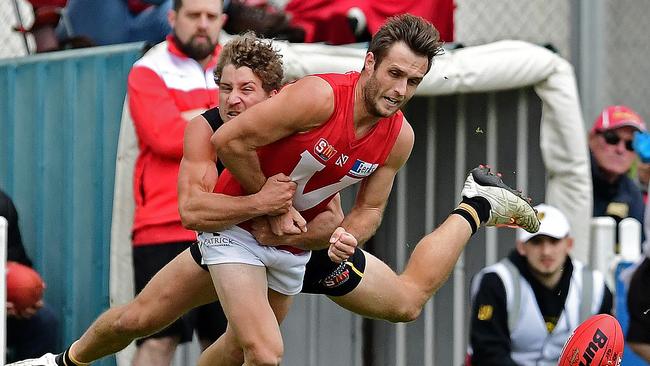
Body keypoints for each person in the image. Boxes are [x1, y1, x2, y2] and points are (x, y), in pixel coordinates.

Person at [8, 19, 540, 366]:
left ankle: (477, 204)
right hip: (237, 235)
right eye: (395, 73)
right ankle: (60, 363)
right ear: (368, 64)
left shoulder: (398, 135)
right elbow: (222, 152)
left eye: (414, 81)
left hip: (299, 246)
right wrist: (269, 202)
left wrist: (346, 237)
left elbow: (371, 209)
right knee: (245, 347)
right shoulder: (312, 98)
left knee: (404, 303)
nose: (401, 90)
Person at [124, 0, 228, 364]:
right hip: (164, 226)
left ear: (222, 21)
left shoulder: (237, 66)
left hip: (229, 224)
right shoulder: (149, 68)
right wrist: (224, 121)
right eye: (193, 15)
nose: (202, 24)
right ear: (172, 18)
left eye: (211, 17)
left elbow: (261, 128)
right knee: (157, 339)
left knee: (231, 346)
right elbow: (165, 136)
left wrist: (191, 117)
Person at [467, 204, 613, 366]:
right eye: (536, 242)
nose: (546, 251)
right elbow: (488, 353)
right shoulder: (496, 282)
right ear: (522, 247)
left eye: (554, 241)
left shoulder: (595, 286)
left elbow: (606, 352)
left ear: (569, 244)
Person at [1, 189, 60, 363]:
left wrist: (25, 297)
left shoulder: (3, 206)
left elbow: (18, 261)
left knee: (44, 322)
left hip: (4, 309)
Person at [590, 105, 646, 243]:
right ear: (591, 139)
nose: (620, 149)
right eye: (612, 138)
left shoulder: (633, 193)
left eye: (630, 144)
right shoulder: (574, 180)